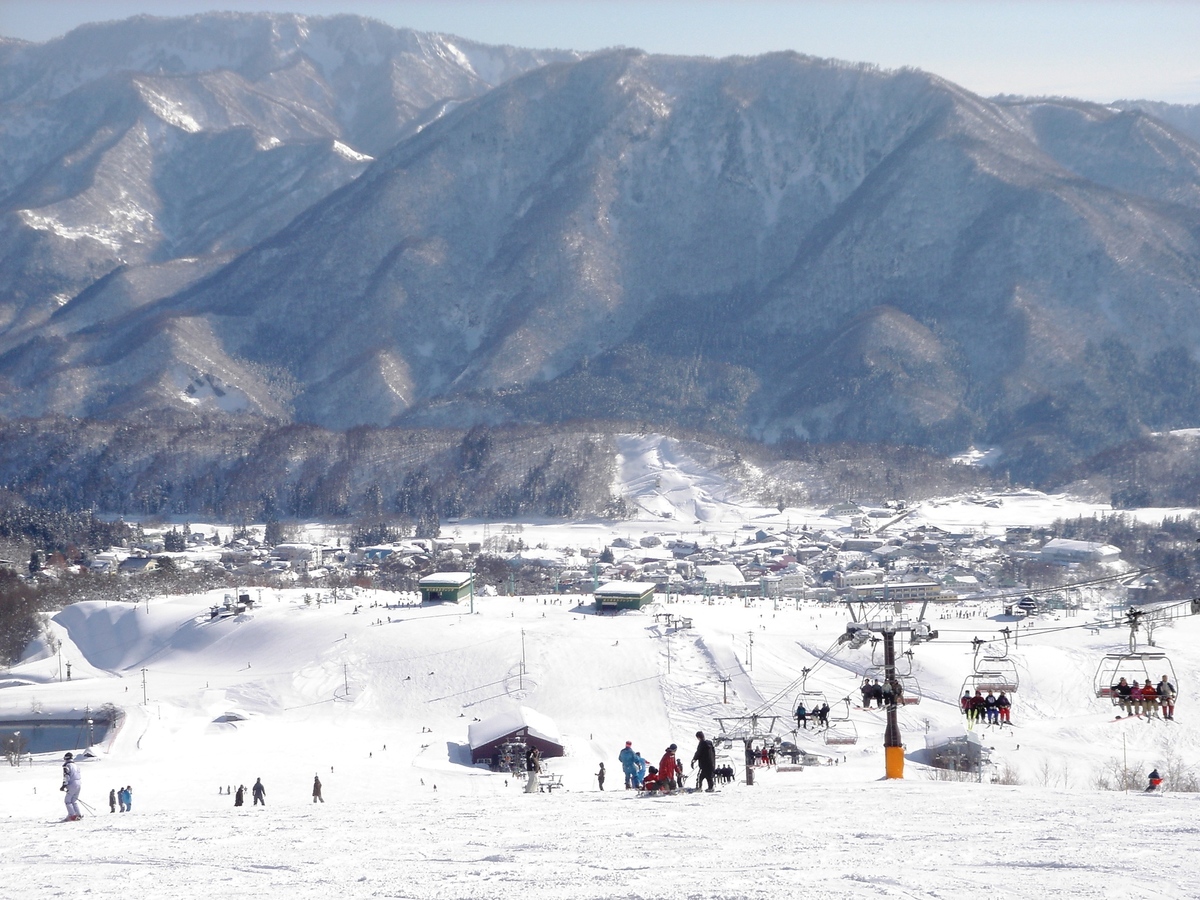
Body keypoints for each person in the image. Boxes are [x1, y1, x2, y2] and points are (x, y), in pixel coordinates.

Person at [60, 752, 83, 821]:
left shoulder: (67, 766)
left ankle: (72, 815)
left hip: (72, 784)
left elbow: (66, 776)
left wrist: (64, 785)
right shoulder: (76, 765)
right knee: (74, 800)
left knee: (67, 801)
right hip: (79, 783)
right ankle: (78, 814)